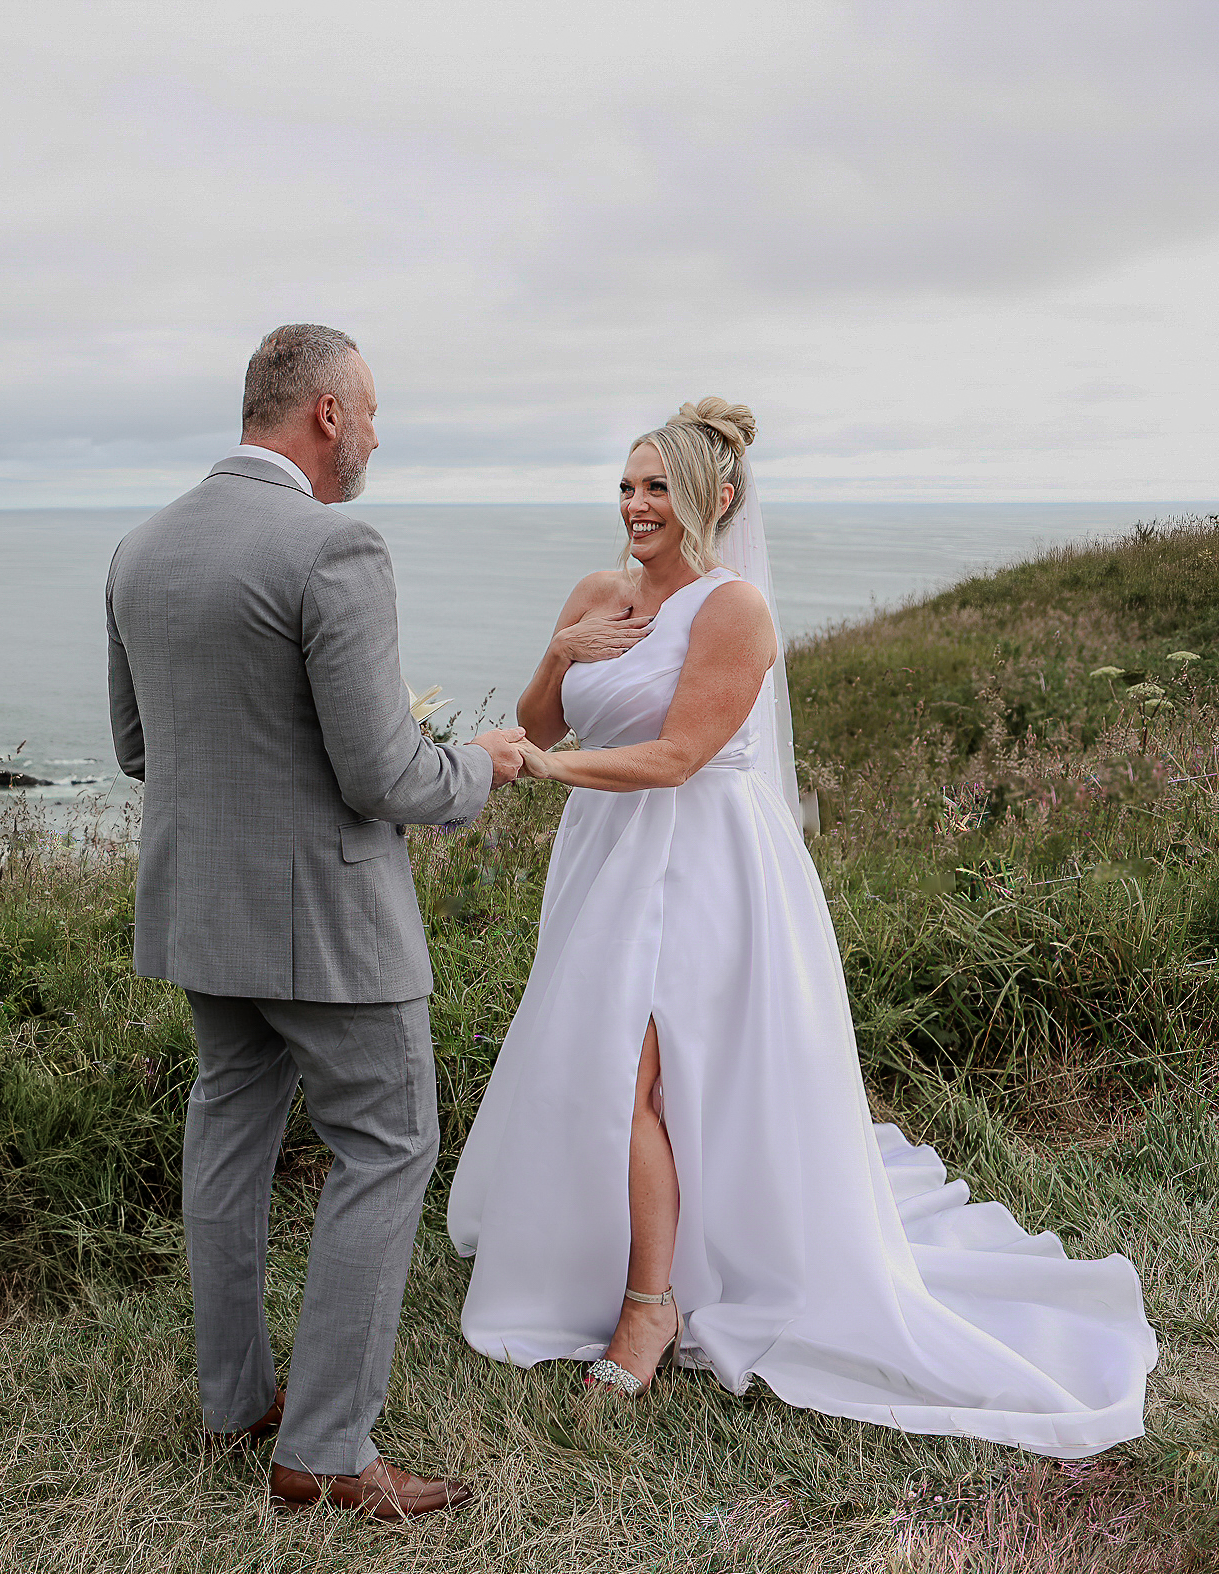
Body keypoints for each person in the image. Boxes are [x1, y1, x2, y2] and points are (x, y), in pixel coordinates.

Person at [447, 399, 1157, 1455]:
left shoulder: (736, 612)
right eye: (629, 486)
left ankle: (653, 1304)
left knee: (645, 1069)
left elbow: (678, 755)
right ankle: (623, 1258)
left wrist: (545, 768)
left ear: (716, 498)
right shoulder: (598, 594)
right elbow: (544, 713)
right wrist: (560, 651)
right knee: (601, 1064)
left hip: (702, 863)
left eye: (659, 487)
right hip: (606, 858)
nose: (637, 505)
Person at [105, 324, 527, 1522]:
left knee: (228, 1133)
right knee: (390, 1144)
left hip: (201, 911)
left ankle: (236, 1401)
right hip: (333, 927)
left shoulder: (140, 549)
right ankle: (327, 1451)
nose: (381, 437)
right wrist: (480, 765)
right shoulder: (335, 544)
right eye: (375, 413)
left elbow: (141, 751)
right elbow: (384, 775)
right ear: (327, 415)